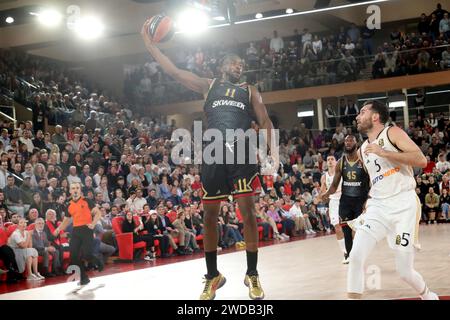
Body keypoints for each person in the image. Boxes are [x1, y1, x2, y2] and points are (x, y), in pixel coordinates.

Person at [141, 19, 278, 300]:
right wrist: (149, 44)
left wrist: (271, 155)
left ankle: (252, 274)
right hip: (213, 154)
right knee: (209, 217)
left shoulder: (250, 90)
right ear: (223, 66)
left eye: (241, 65)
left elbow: (265, 122)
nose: (239, 67)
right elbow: (174, 71)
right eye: (234, 64)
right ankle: (213, 276)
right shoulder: (208, 85)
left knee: (248, 214)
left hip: (241, 152)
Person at [348, 100, 437, 300]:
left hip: (403, 205)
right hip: (378, 207)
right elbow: (375, 180)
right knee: (355, 256)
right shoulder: (362, 149)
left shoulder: (391, 133)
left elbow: (421, 160)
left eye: (362, 112)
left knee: (404, 271)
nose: (357, 116)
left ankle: (428, 295)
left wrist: (384, 152)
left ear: (375, 116)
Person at [321, 135, 370, 264]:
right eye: (346, 141)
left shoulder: (363, 160)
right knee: (346, 230)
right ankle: (350, 255)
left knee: (359, 230)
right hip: (345, 201)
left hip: (360, 200)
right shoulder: (341, 162)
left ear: (356, 143)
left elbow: (370, 181)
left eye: (351, 140)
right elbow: (335, 184)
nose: (348, 142)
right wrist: (326, 194)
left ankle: (360, 253)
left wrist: (368, 199)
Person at [55, 182, 103, 287]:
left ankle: (98, 261)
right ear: (70, 191)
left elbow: (98, 213)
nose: (75, 190)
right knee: (74, 256)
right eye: (73, 188)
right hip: (76, 231)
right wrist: (58, 229)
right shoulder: (68, 204)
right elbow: (66, 221)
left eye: (77, 188)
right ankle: (84, 278)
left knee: (86, 255)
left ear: (80, 190)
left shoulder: (87, 201)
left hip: (87, 229)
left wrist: (93, 223)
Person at [320, 155, 346, 262]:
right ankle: (345, 253)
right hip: (333, 202)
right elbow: (322, 192)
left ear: (336, 162)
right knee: (337, 227)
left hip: (344, 199)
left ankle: (353, 248)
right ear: (326, 163)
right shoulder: (324, 177)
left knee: (350, 226)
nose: (330, 161)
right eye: (328, 160)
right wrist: (322, 197)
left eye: (332, 159)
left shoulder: (342, 172)